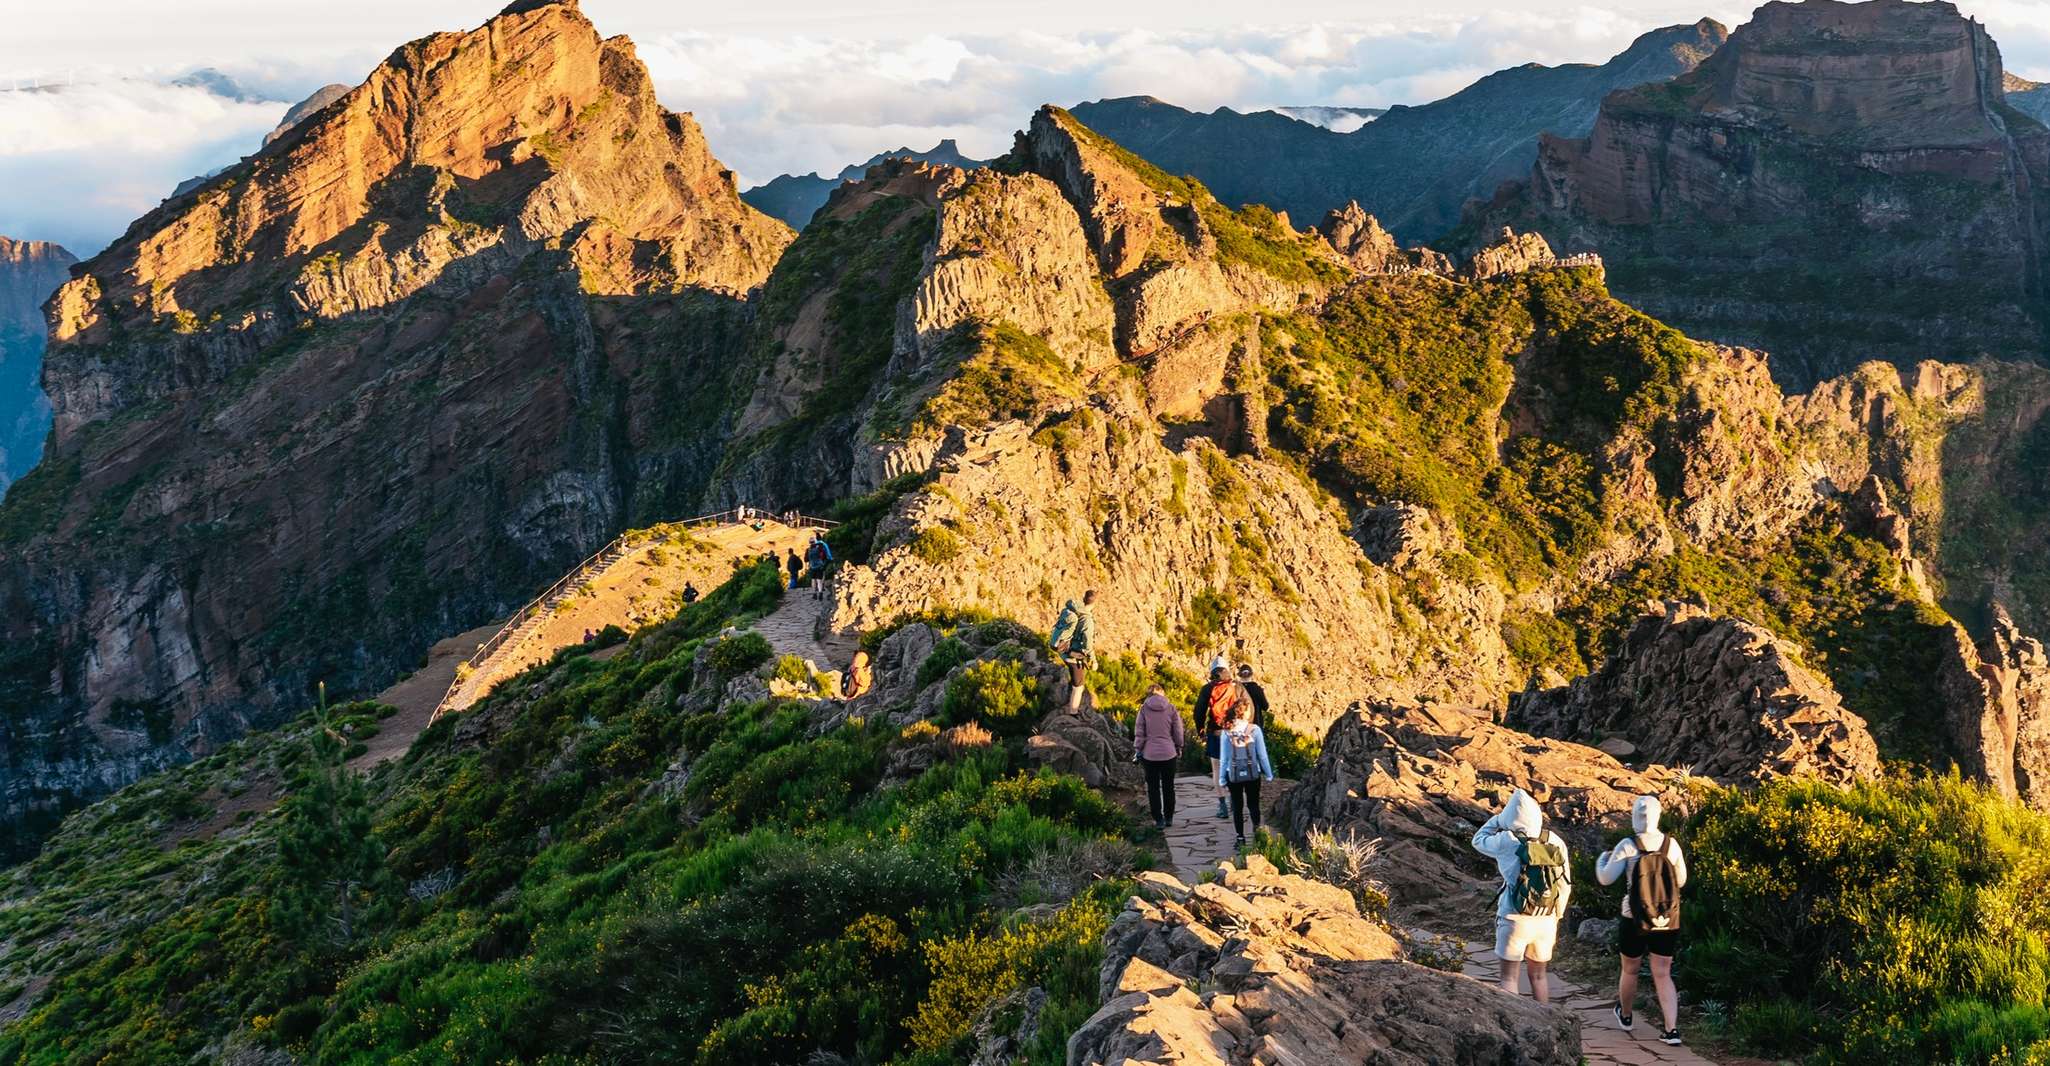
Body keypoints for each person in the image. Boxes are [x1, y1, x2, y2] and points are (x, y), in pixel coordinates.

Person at [1598, 795, 1688, 1046]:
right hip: (1666, 918)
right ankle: (1671, 1030)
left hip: (1633, 917)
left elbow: (1606, 878)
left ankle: (1625, 1016)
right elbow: (1681, 881)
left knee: (1630, 968)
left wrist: (1602, 861)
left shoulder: (1628, 845)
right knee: (1663, 973)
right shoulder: (1671, 845)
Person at [1472, 790, 1572, 1005]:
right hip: (1547, 918)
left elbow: (1478, 840)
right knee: (1539, 976)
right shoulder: (1554, 840)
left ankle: (1516, 1030)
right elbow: (1565, 883)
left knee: (1509, 978)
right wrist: (1557, 915)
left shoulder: (1507, 840)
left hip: (1514, 916)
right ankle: (1548, 1024)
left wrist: (1498, 819)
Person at [1213, 701, 1274, 848]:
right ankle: (1258, 834)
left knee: (1237, 806)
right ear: (1245, 712)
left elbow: (1224, 757)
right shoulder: (1254, 729)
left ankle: (1240, 838)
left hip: (1232, 773)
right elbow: (1262, 754)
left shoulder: (1227, 731)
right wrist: (1268, 773)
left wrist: (1221, 778)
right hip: (1253, 772)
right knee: (1253, 804)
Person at [1132, 683, 1185, 829]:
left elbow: (1139, 731)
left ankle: (1158, 819)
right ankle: (1169, 817)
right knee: (1169, 787)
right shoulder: (1171, 708)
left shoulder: (1143, 709)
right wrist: (1179, 746)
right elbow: (1178, 731)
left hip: (1150, 755)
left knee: (1153, 788)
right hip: (1169, 753)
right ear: (1162, 693)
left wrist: (1138, 749)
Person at [1195, 667, 1244, 819]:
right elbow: (1248, 708)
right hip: (1234, 732)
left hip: (1215, 732)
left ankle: (1222, 805)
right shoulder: (1237, 687)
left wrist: (1200, 730)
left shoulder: (1208, 688)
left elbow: (1199, 712)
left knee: (1216, 769)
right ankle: (1235, 802)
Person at [1047, 591, 1097, 712]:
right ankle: (1073, 713)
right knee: (1078, 687)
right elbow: (1088, 643)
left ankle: (1067, 701)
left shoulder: (1073, 609)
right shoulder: (1087, 620)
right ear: (1094, 603)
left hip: (1063, 650)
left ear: (1083, 598)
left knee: (1073, 677)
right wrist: (1093, 660)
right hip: (1073, 656)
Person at [806, 533, 834, 600]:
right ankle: (820, 593)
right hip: (820, 566)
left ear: (809, 543)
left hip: (812, 566)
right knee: (819, 580)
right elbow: (824, 554)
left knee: (813, 580)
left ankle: (814, 594)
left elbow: (806, 559)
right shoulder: (819, 548)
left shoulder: (808, 550)